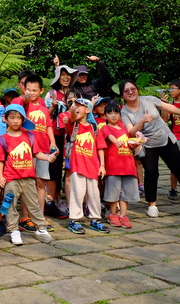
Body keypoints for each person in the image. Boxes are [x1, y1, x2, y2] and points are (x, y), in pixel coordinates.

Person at [119, 79, 180, 217]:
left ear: (137, 89)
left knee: (179, 170)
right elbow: (131, 132)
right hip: (147, 144)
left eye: (133, 89)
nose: (131, 92)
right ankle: (152, 205)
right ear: (122, 95)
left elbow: (167, 107)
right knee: (151, 173)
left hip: (165, 139)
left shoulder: (149, 100)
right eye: (126, 91)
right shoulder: (124, 112)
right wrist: (142, 120)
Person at [0, 104, 53, 246]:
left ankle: (41, 228)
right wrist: (0, 177)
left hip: (28, 177)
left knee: (33, 203)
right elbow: (0, 160)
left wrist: (47, 158)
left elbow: (36, 153)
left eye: (18, 118)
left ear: (23, 120)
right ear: (6, 120)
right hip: (11, 178)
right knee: (10, 204)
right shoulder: (3, 139)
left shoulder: (30, 136)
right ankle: (13, 229)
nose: (15, 121)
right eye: (12, 118)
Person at [63, 99, 109, 235]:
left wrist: (102, 165)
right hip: (77, 166)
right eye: (75, 106)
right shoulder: (73, 125)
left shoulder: (94, 128)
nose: (76, 108)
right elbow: (71, 117)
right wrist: (72, 110)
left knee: (94, 194)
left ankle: (95, 219)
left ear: (88, 110)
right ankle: (75, 220)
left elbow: (100, 147)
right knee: (77, 193)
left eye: (80, 106)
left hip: (92, 166)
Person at [19, 74, 59, 231]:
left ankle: (40, 217)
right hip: (27, 151)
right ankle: (25, 217)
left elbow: (48, 126)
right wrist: (26, 98)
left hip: (43, 150)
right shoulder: (24, 106)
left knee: (41, 183)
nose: (32, 93)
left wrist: (53, 143)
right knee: (27, 184)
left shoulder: (43, 109)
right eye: (29, 90)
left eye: (35, 90)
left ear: (41, 91)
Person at [44, 63, 79, 219]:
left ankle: (61, 199)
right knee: (55, 168)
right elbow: (46, 115)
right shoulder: (52, 93)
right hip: (56, 135)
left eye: (68, 74)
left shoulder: (74, 93)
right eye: (62, 74)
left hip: (70, 136)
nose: (66, 77)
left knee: (68, 168)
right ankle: (52, 200)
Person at [100, 102, 141, 228]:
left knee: (126, 194)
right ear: (105, 115)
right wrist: (116, 141)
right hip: (113, 167)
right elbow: (110, 136)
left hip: (128, 166)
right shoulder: (105, 128)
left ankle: (123, 215)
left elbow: (132, 144)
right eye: (110, 113)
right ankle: (112, 214)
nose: (113, 116)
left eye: (116, 112)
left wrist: (137, 141)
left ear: (120, 114)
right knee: (113, 193)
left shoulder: (125, 129)